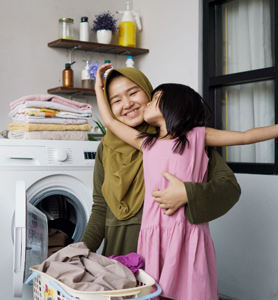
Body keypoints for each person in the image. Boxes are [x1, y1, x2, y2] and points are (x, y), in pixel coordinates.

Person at [93, 64, 278, 300]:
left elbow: (246, 136)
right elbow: (109, 121)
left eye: (151, 99)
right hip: (154, 234)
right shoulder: (146, 143)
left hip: (187, 232)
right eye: (116, 99)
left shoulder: (198, 136)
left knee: (193, 290)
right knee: (154, 292)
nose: (141, 104)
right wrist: (98, 87)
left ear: (173, 104)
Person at [81, 66, 241, 258]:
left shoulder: (182, 139)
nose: (127, 104)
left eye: (133, 92)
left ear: (151, 93)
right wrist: (80, 251)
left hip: (172, 256)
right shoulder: (107, 148)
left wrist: (188, 193)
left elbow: (229, 188)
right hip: (120, 256)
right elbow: (100, 207)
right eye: (115, 100)